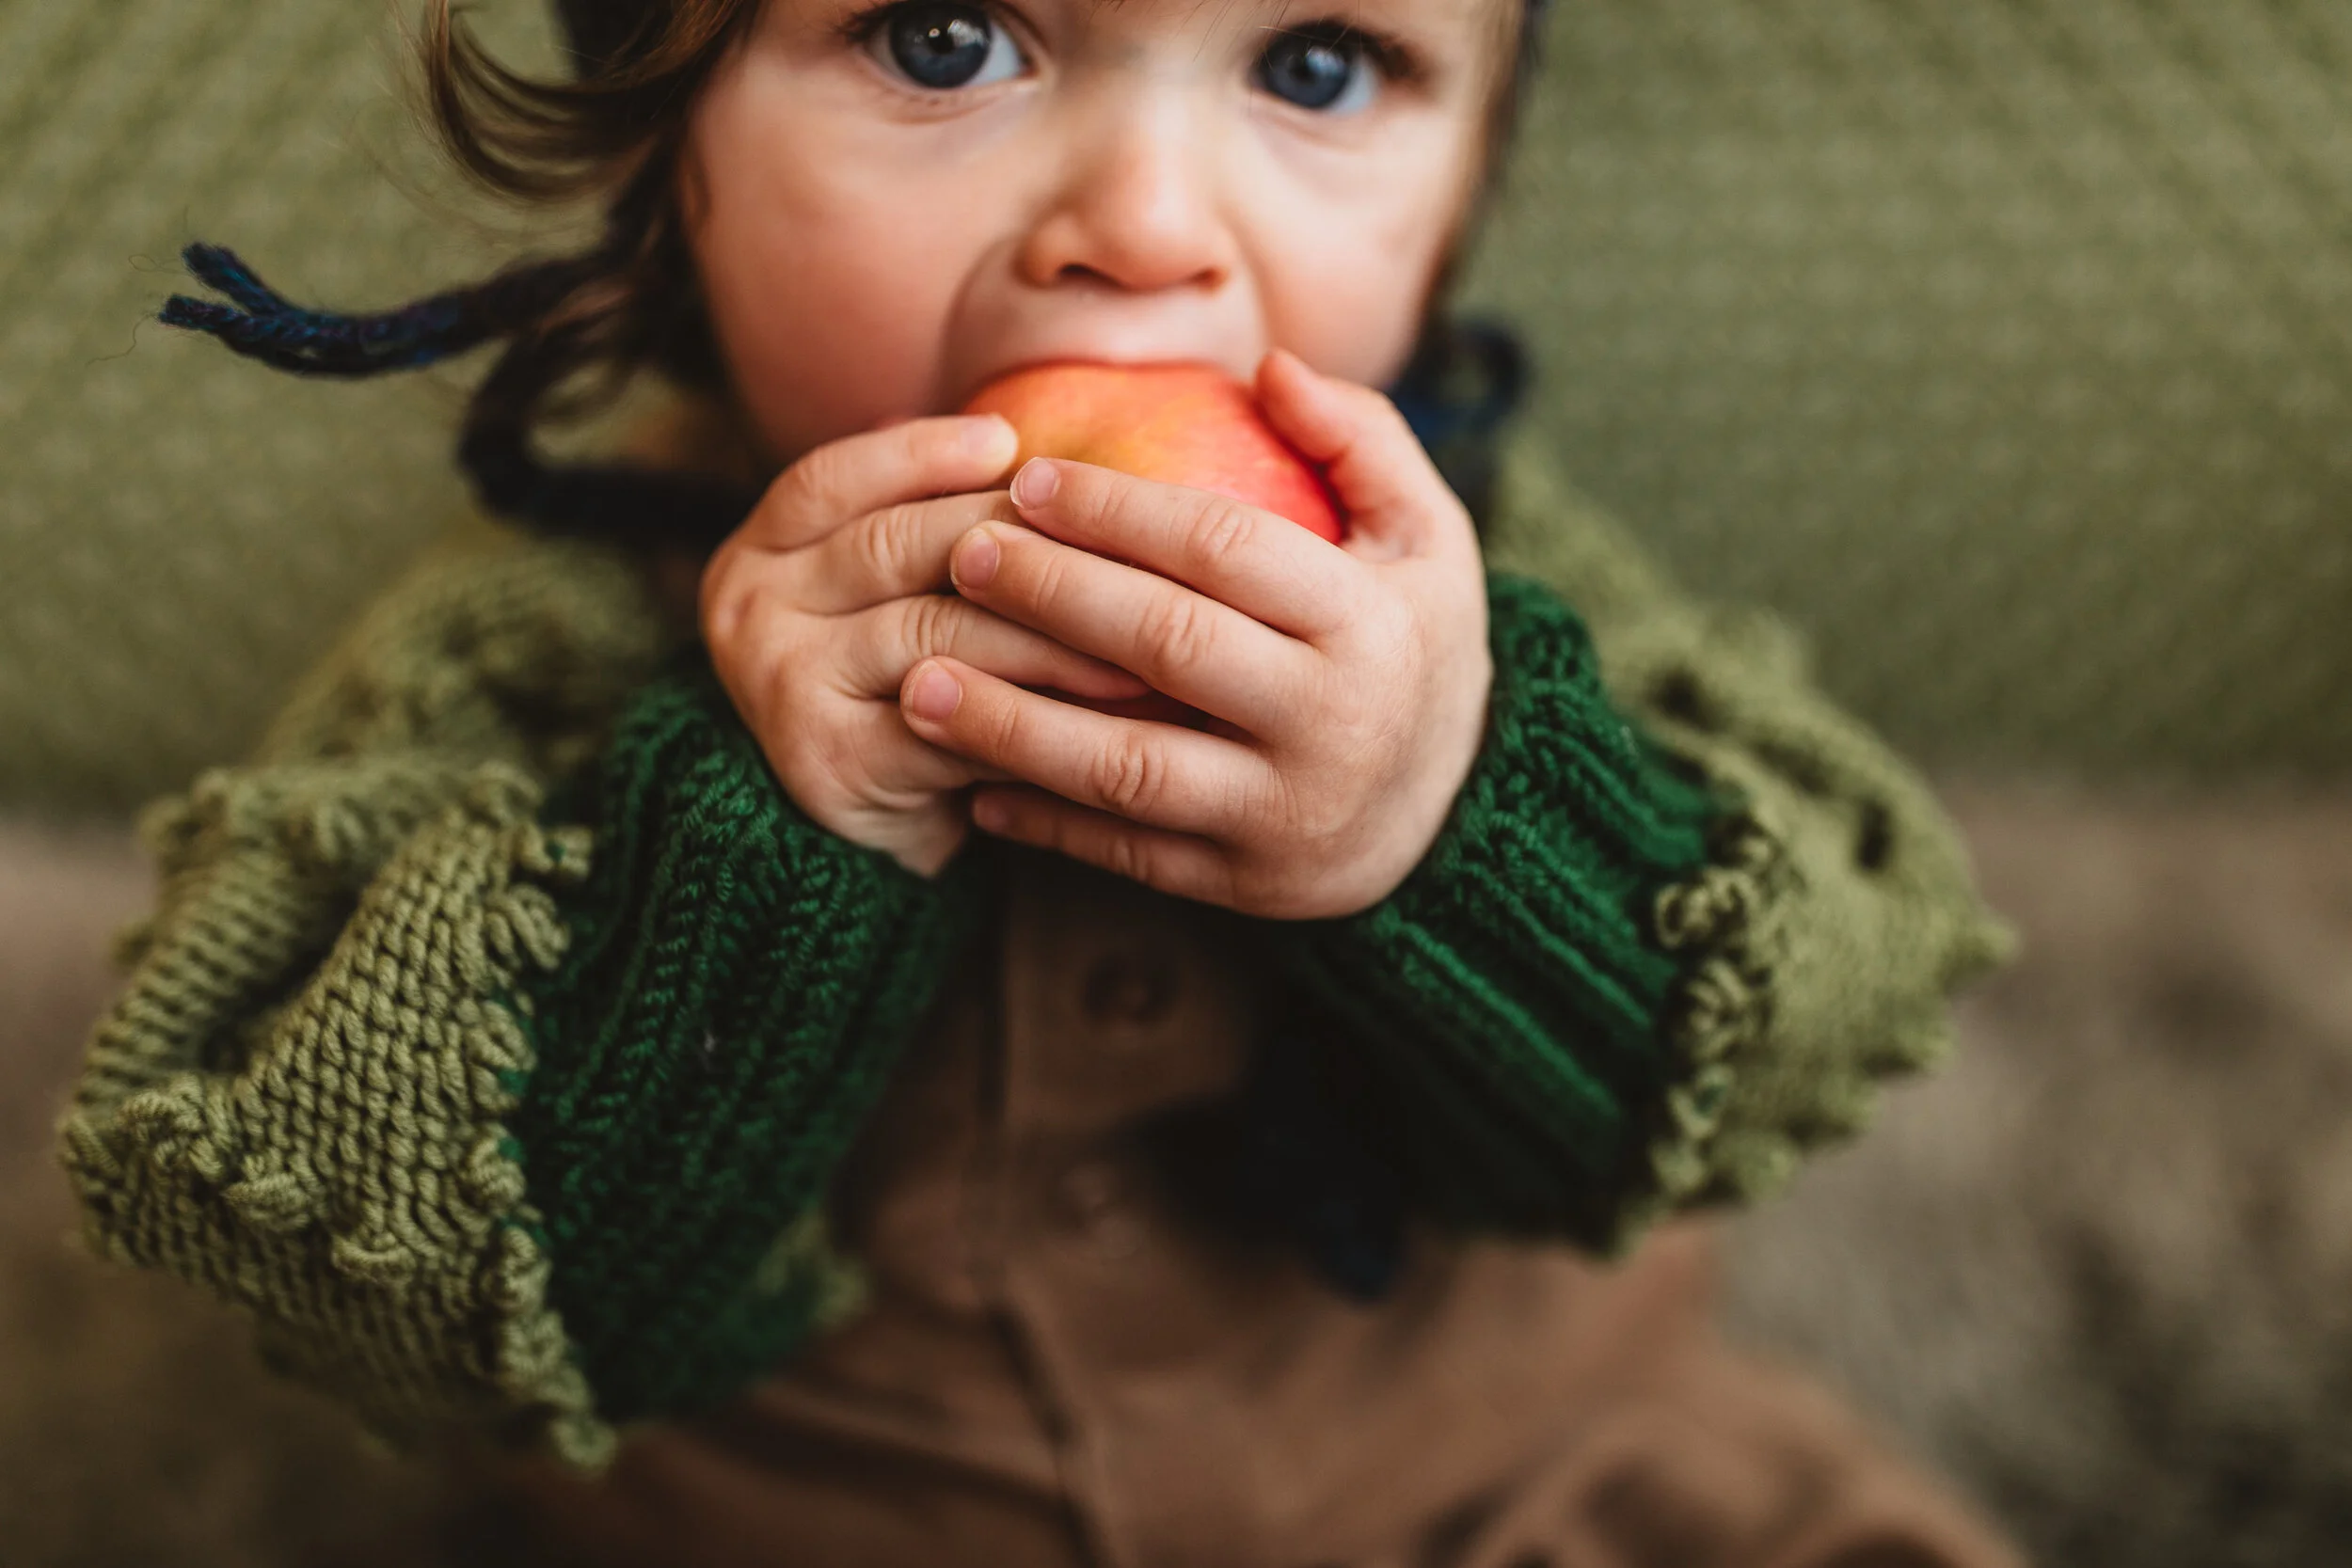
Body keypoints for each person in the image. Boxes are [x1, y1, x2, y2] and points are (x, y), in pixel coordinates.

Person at [60, 1, 2026, 1562]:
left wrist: (1451, 823)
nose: (1147, 225)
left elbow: (1781, 1004)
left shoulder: (1492, 598)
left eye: (1319, 63)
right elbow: (351, 1245)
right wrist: (761, 830)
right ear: (670, 160)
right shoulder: (528, 642)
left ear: (1464, 188)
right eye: (939, 38)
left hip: (1511, 1479)